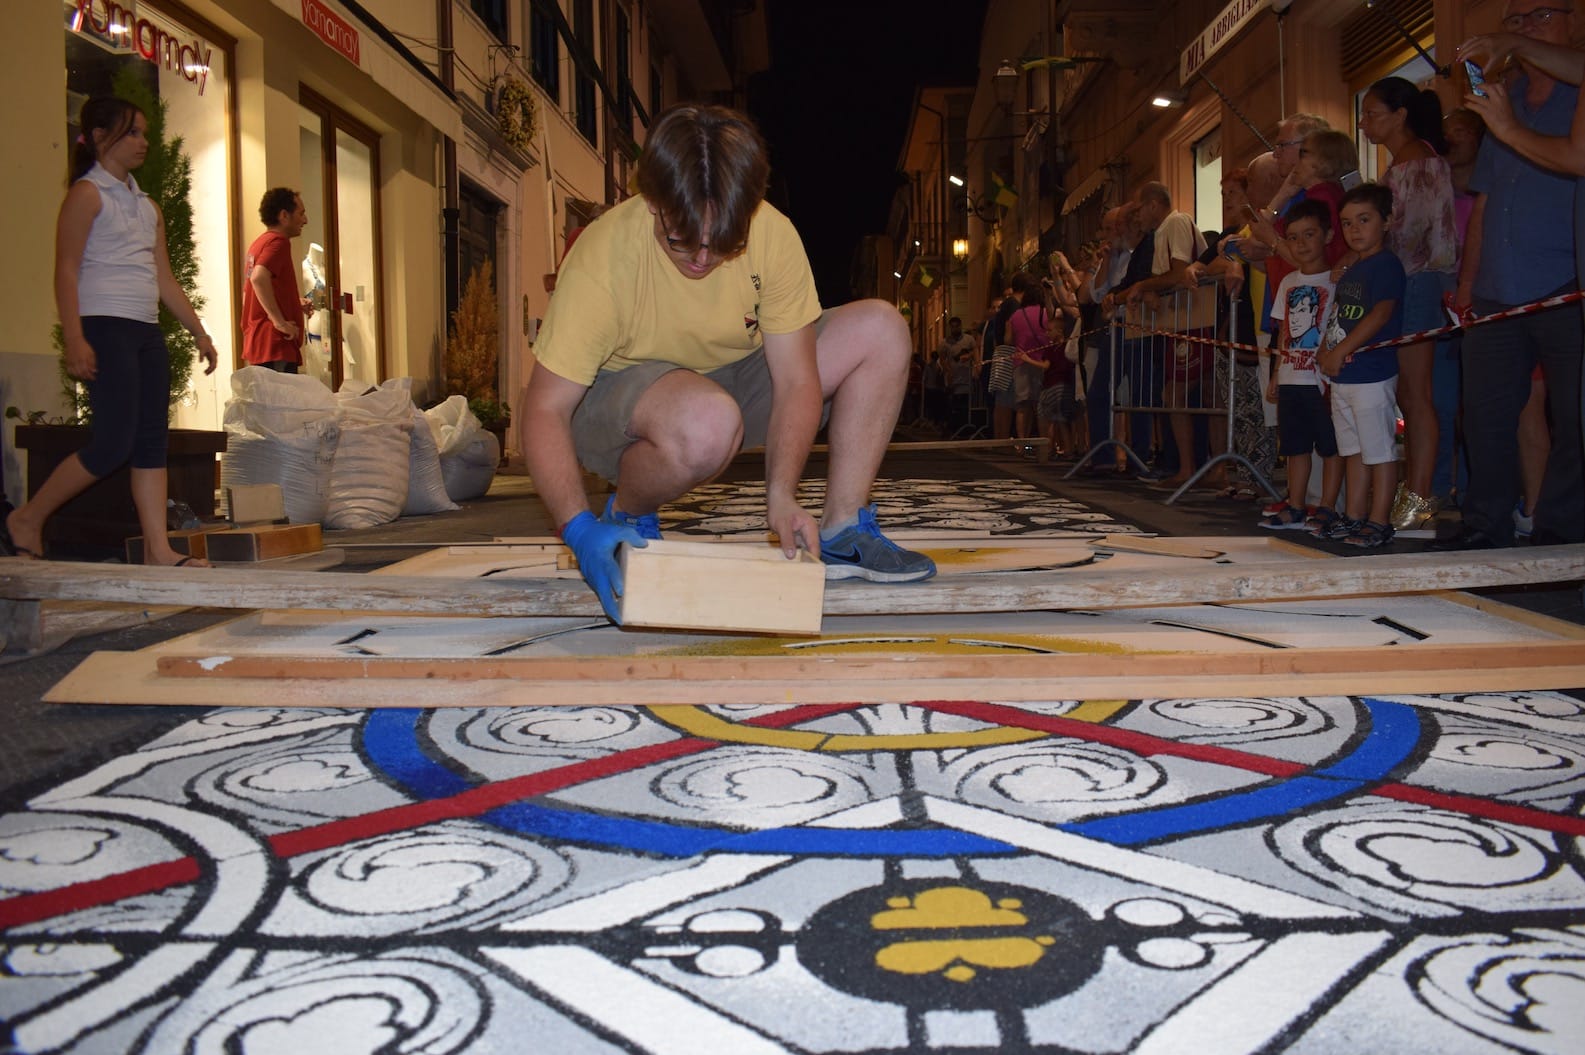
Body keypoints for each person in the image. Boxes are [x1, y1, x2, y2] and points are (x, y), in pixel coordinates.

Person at [519, 104, 935, 623]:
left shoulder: (772, 235)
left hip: (733, 378)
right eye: (681, 240)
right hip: (625, 399)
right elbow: (543, 409)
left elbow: (796, 379)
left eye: (724, 245)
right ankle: (628, 510)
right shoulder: (605, 257)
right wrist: (577, 528)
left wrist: (781, 495)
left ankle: (842, 530)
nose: (701, 259)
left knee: (883, 328)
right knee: (708, 422)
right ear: (651, 202)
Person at [1, 97, 217, 565]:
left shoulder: (147, 206)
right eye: (132, 132)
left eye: (143, 132)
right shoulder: (86, 194)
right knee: (112, 443)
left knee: (150, 441)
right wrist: (75, 337)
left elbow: (164, 278)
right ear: (100, 137)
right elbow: (65, 269)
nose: (143, 141)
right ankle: (28, 518)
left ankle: (159, 549)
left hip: (144, 331)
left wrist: (200, 333)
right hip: (105, 326)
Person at [1443, 0, 1585, 550]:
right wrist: (1468, 283)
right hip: (1498, 287)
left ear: (1574, 19)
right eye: (1515, 20)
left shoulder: (1576, 94)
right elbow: (1483, 202)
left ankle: (1560, 532)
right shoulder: (1505, 99)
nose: (1523, 28)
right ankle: (1486, 526)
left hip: (1566, 282)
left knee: (1573, 419)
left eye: (1539, 15)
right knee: (1484, 415)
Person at [1358, 77, 1460, 531]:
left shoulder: (1417, 163)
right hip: (1412, 282)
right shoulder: (1404, 163)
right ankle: (1423, 488)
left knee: (1418, 395)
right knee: (1416, 394)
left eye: (1371, 114)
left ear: (1400, 115)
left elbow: (1408, 237)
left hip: (1420, 282)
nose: (1364, 124)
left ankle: (1421, 493)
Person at [1317, 183, 1405, 549]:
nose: (1355, 230)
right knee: (1352, 449)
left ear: (1387, 221)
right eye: (1348, 223)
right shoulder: (1353, 270)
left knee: (1379, 450)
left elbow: (1381, 314)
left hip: (1370, 374)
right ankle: (1354, 515)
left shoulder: (1385, 265)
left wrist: (1342, 351)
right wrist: (1326, 348)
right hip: (1345, 376)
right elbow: (1340, 317)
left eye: (1364, 220)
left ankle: (1379, 520)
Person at [1259, 200, 1343, 532]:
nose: (1301, 244)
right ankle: (1295, 506)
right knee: (1295, 447)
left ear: (1328, 235)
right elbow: (1283, 333)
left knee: (1330, 446)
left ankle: (1327, 506)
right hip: (1293, 376)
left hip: (1322, 380)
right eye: (1293, 238)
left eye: (1309, 235)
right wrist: (1277, 372)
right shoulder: (1288, 283)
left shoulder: (1337, 280)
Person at [1125, 182, 1213, 489]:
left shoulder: (1175, 222)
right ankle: (1196, 466)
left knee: (1178, 394)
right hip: (1183, 322)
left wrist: (1143, 287)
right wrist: (1151, 289)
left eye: (1138, 209)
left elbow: (1178, 273)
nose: (1136, 216)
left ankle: (1189, 468)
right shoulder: (1161, 232)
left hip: (1194, 321)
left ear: (1152, 204)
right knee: (1188, 394)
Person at [240, 187, 312, 374]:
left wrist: (292, 304)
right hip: (275, 344)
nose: (305, 220)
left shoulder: (259, 243)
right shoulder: (278, 243)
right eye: (301, 213)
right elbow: (258, 278)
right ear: (284, 215)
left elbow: (254, 291)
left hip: (261, 343)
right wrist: (280, 322)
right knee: (282, 402)